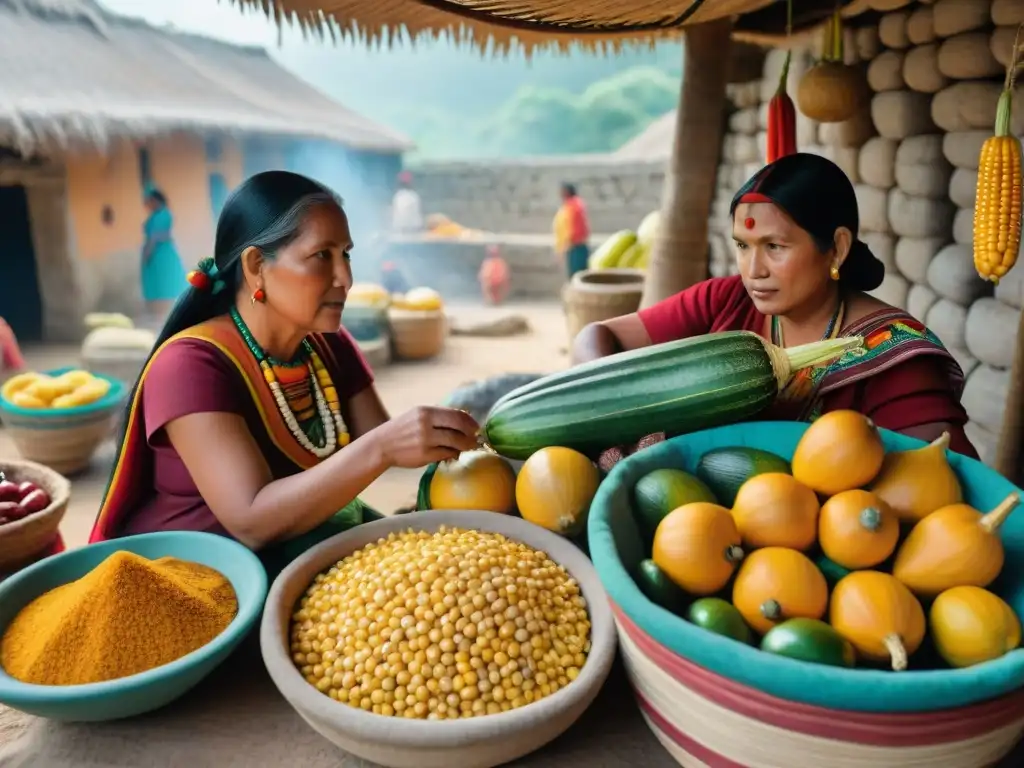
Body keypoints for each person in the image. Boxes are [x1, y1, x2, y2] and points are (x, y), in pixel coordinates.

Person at [90, 171, 479, 565]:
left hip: (301, 552)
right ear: (257, 264)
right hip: (200, 583)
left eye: (345, 254)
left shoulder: (328, 346)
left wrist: (446, 437)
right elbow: (251, 520)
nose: (345, 278)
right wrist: (384, 447)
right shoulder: (190, 365)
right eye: (321, 256)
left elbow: (386, 440)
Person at [572, 153, 978, 459]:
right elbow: (598, 335)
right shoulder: (725, 301)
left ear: (836, 247)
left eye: (774, 247)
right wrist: (611, 407)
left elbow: (947, 478)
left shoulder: (893, 356)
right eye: (742, 246)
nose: (753, 271)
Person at [140, 186, 188, 319]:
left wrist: (147, 254)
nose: (147, 205)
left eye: (148, 202)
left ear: (154, 200)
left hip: (159, 255)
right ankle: (162, 314)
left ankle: (161, 315)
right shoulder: (162, 214)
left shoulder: (161, 215)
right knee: (163, 283)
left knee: (162, 284)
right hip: (162, 253)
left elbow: (155, 237)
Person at [553, 182, 590, 279]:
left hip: (575, 247)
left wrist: (561, 249)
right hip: (577, 246)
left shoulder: (572, 206)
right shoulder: (577, 204)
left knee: (576, 277)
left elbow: (569, 230)